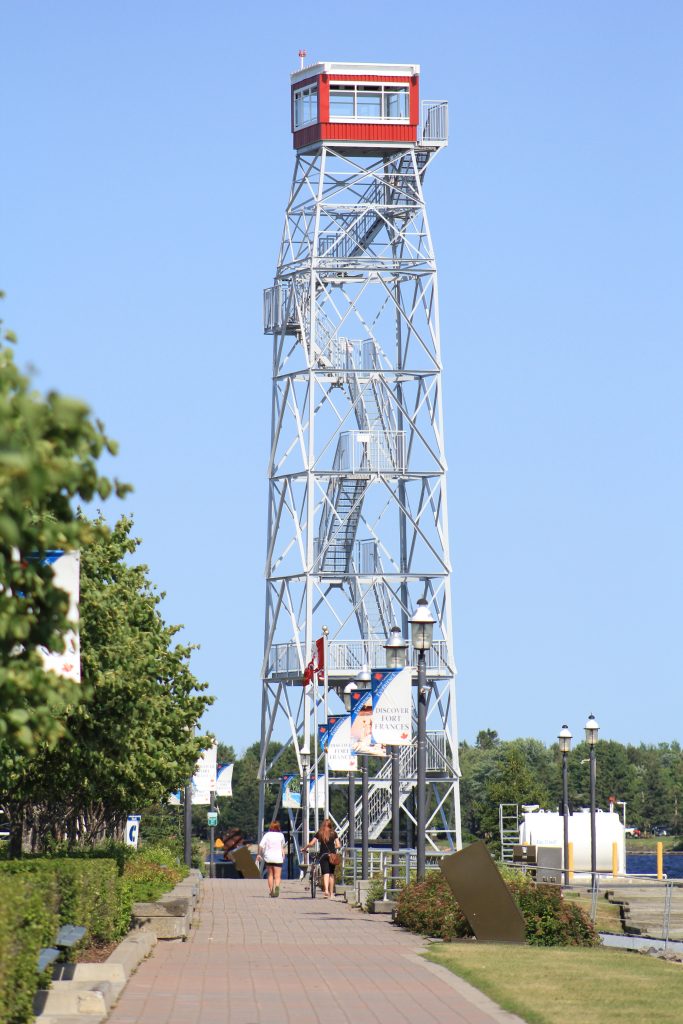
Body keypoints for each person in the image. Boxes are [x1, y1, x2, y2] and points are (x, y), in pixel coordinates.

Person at [302, 818, 340, 898]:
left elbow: (312, 843)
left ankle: (326, 891)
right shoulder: (334, 833)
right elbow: (338, 845)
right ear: (330, 825)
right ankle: (331, 894)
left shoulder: (320, 833)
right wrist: (335, 847)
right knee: (331, 874)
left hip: (323, 855)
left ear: (323, 825)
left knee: (325, 873)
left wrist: (305, 848)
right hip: (332, 855)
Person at [257, 820, 286, 897]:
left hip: (268, 857)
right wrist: (283, 854)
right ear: (278, 827)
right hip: (278, 858)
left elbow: (261, 845)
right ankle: (277, 887)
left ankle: (271, 891)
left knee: (270, 875)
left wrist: (259, 854)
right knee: (277, 876)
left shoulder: (267, 835)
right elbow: (282, 846)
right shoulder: (281, 835)